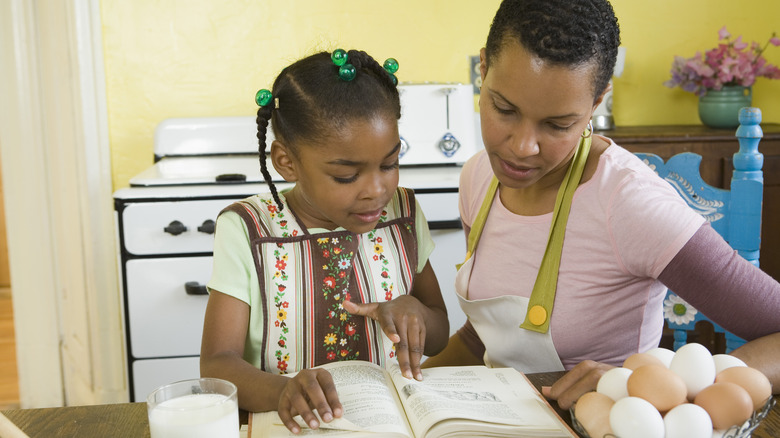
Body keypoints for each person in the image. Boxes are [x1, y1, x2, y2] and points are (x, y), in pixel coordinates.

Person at [422, 0, 780, 411]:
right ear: (483, 70)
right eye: (504, 109)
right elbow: (482, 337)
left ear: (596, 102)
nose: (521, 147)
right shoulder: (479, 177)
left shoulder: (630, 204)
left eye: (558, 125)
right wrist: (405, 391)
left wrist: (641, 384)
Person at [200, 49, 449, 433]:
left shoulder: (404, 214)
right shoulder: (248, 228)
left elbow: (440, 331)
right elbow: (217, 363)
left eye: (390, 164)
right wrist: (283, 390)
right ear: (287, 162)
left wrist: (414, 313)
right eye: (347, 176)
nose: (377, 190)